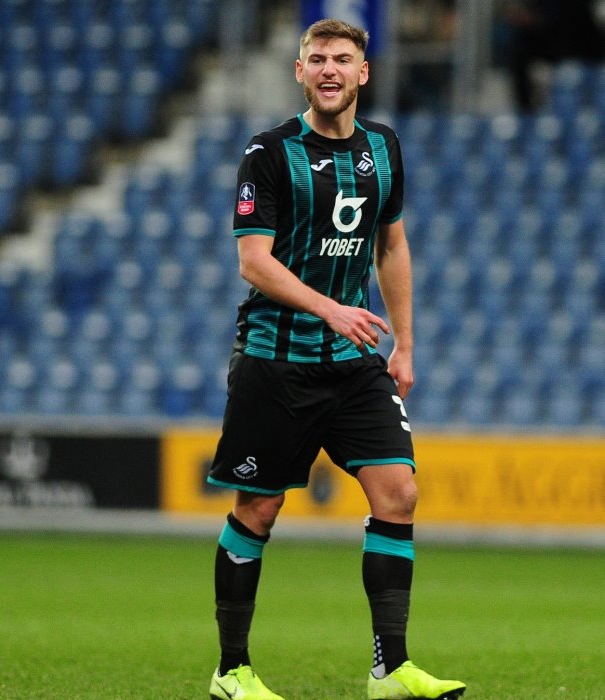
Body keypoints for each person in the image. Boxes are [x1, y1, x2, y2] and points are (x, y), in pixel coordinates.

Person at [206, 18, 466, 700]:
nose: (329, 69)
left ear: (363, 73)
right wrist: (330, 308)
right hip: (276, 360)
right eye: (317, 58)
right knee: (258, 511)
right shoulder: (268, 152)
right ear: (300, 72)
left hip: (353, 363)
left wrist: (405, 343)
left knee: (399, 492)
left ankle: (390, 670)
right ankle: (232, 671)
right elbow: (252, 261)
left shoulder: (384, 147)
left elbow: (391, 245)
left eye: (342, 59)